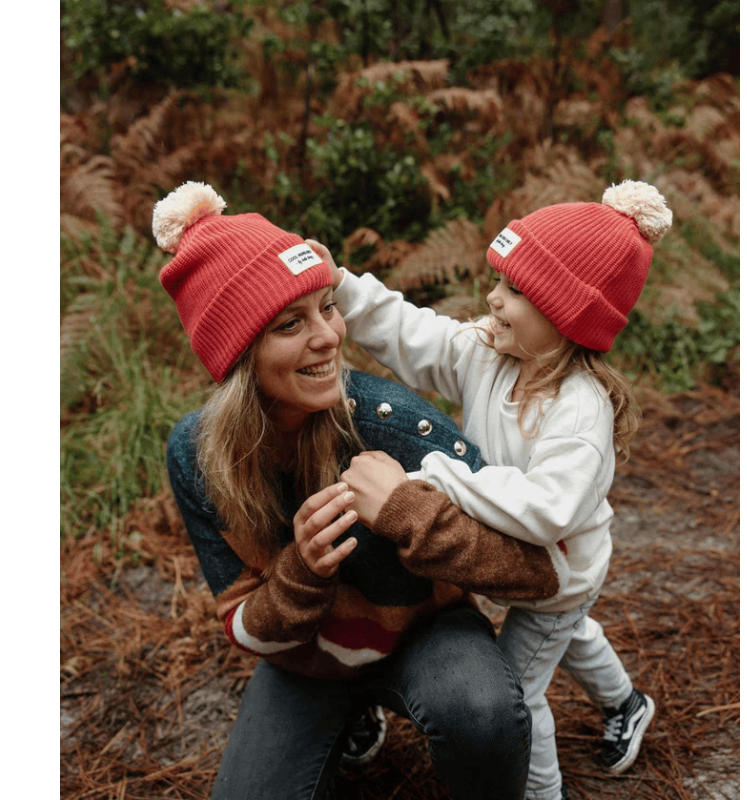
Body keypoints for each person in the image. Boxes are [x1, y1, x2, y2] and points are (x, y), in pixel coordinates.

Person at [152, 181, 572, 800]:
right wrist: (300, 573)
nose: (328, 336)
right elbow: (241, 624)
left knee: (483, 714)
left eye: (328, 306)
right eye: (291, 324)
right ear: (238, 357)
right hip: (304, 663)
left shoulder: (395, 426)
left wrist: (409, 514)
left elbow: (541, 573)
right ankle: (349, 716)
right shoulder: (197, 457)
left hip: (430, 638)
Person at [311, 180, 670, 800]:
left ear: (566, 315)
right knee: (574, 635)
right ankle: (627, 702)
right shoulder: (492, 353)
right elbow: (413, 335)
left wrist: (443, 477)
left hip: (558, 571)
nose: (493, 298)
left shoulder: (578, 412)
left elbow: (546, 510)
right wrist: (342, 285)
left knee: (521, 690)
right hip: (525, 559)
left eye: (516, 291)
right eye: (499, 281)